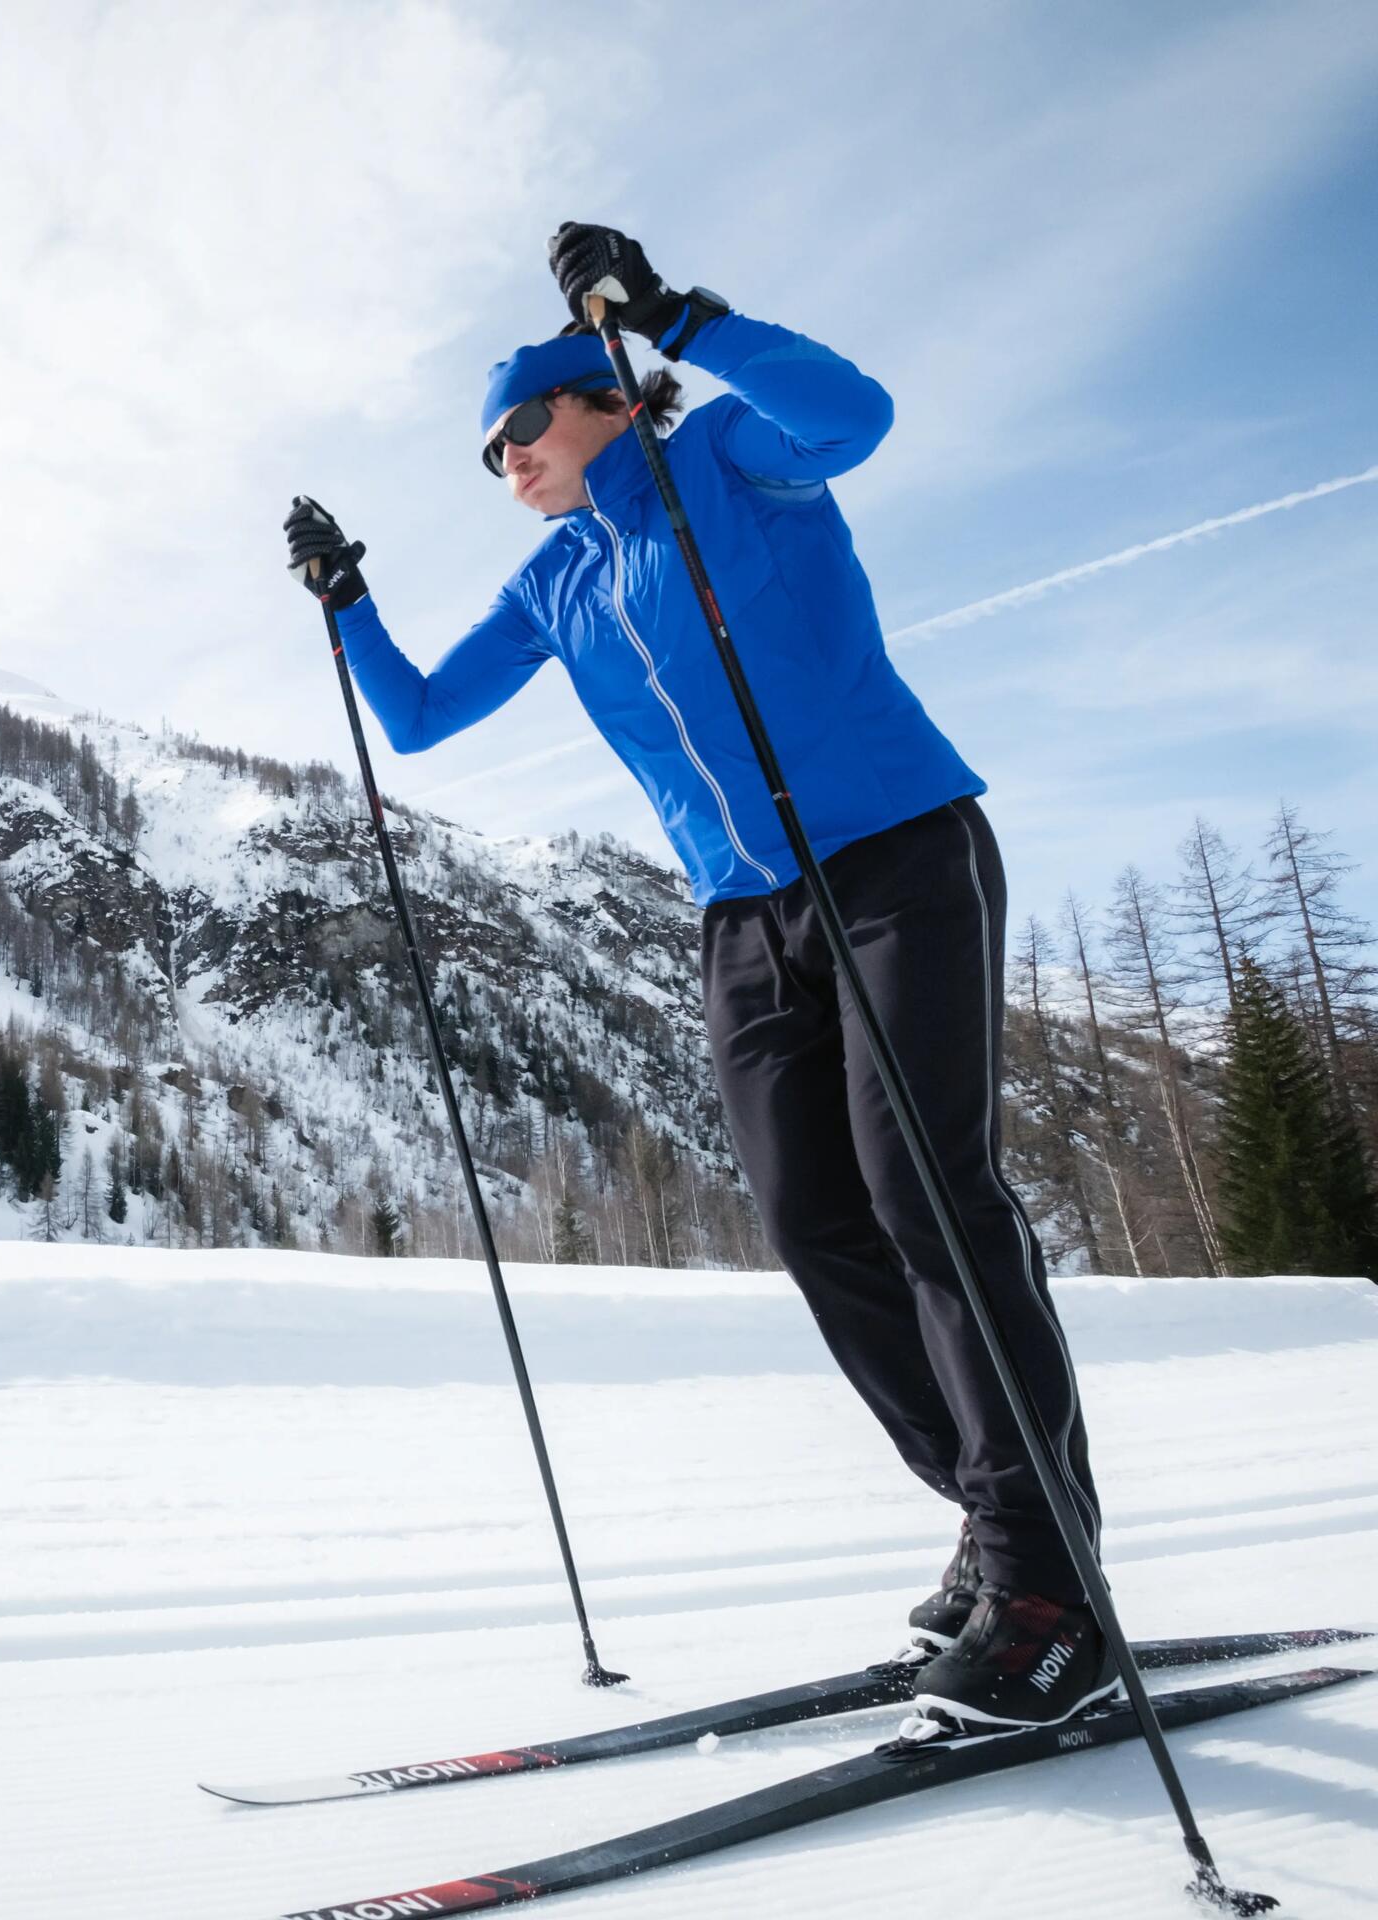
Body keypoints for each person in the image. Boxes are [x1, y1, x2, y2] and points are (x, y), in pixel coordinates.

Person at [282, 221, 1110, 1735]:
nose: (508, 462)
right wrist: (349, 601)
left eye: (522, 426)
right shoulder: (557, 583)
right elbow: (412, 719)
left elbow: (856, 414)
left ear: (599, 395)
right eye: (488, 454)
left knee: (929, 1194)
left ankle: (1051, 1588)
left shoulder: (730, 457)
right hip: (746, 917)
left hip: (893, 856)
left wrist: (676, 317)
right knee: (817, 1221)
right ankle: (993, 1526)